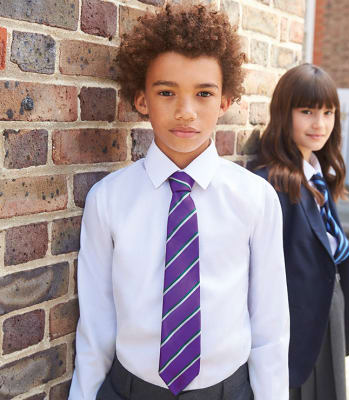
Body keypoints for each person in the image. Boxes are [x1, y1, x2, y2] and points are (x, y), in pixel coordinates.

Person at [69, 4, 289, 400]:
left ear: (225, 100)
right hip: (129, 390)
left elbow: (270, 325)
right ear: (141, 99)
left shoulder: (256, 199)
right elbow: (96, 326)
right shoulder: (109, 201)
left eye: (204, 93)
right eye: (167, 92)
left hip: (228, 391)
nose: (186, 111)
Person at [255, 63, 349, 400]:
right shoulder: (272, 182)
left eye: (328, 112)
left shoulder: (318, 177)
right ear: (285, 113)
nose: (320, 123)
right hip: (295, 329)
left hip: (329, 314)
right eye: (307, 111)